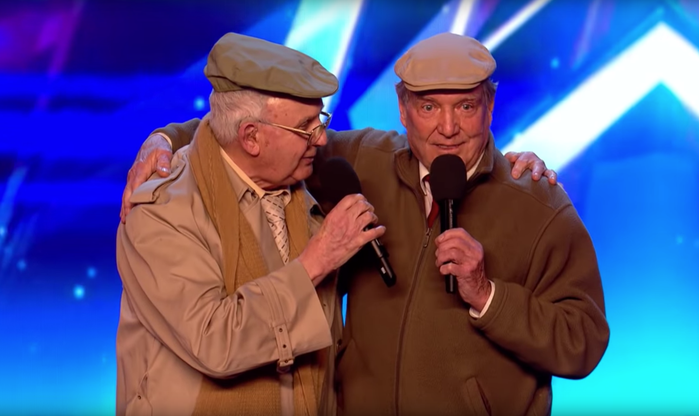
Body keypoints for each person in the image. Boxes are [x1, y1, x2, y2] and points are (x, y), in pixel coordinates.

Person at [121, 33, 609, 415]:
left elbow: (583, 343)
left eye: (465, 106)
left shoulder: (538, 203)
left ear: (490, 105)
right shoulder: (360, 161)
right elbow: (253, 131)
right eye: (427, 107)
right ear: (402, 109)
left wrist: (489, 296)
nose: (447, 128)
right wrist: (165, 138)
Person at [115, 33, 386, 416]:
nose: (322, 139)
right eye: (307, 126)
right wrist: (316, 262)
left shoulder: (298, 181)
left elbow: (396, 152)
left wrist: (499, 166)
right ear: (252, 138)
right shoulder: (161, 213)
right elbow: (215, 342)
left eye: (320, 119)